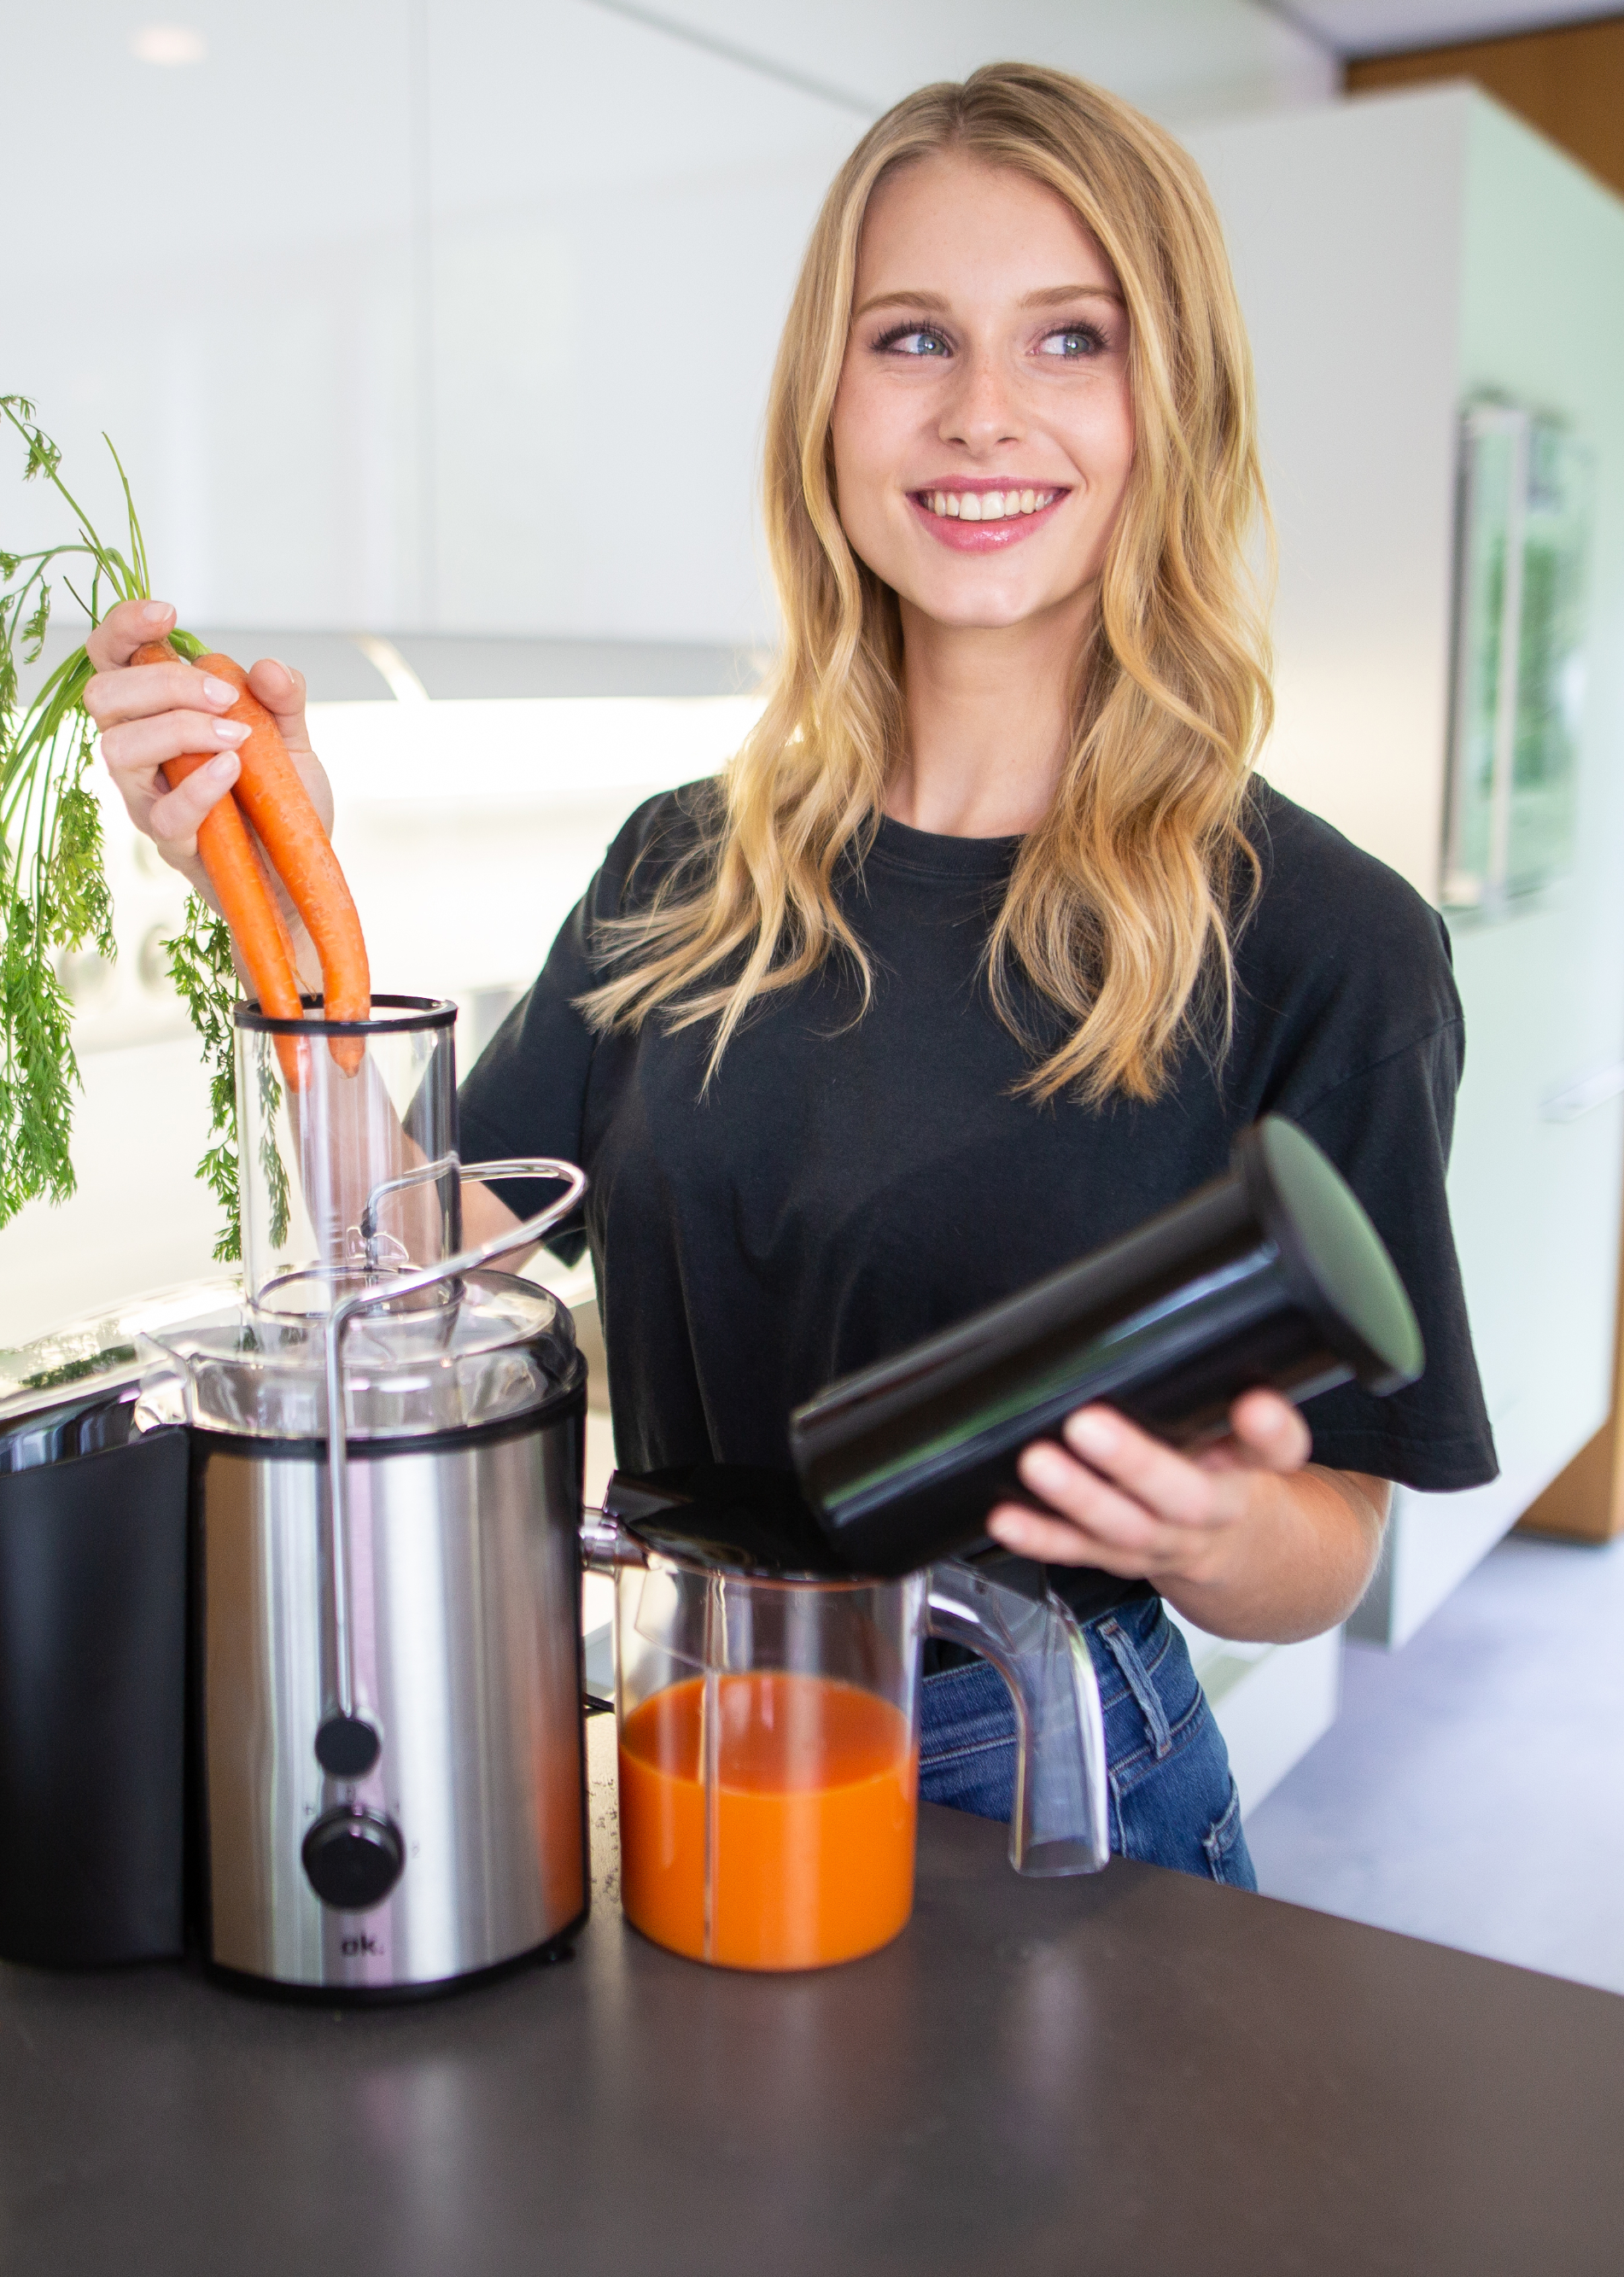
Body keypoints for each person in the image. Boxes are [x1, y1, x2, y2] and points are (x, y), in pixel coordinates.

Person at [77, 61, 1497, 1887]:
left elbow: (1335, 1531)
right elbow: (422, 1269)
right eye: (911, 339)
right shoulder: (685, 864)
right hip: (678, 1710)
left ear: (1173, 401)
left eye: (1069, 340)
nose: (982, 414)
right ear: (824, 405)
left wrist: (1215, 1527)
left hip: (1041, 1762)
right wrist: (264, 879)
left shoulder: (1324, 940)